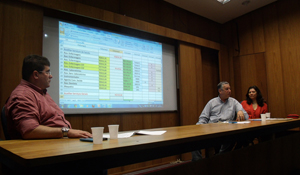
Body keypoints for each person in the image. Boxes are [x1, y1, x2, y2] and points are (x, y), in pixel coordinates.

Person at [5, 55, 92, 139]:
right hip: (40, 148)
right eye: (47, 72)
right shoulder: (23, 95)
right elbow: (30, 131)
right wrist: (67, 132)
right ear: (35, 75)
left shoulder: (41, 92)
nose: (51, 76)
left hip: (58, 142)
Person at [192, 81, 249, 161]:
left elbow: (246, 117)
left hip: (226, 131)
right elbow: (203, 118)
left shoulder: (233, 102)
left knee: (232, 137)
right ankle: (197, 163)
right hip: (211, 130)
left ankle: (219, 159)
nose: (229, 91)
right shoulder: (211, 102)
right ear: (220, 91)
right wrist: (197, 129)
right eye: (227, 89)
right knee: (194, 140)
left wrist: (240, 111)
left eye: (230, 88)